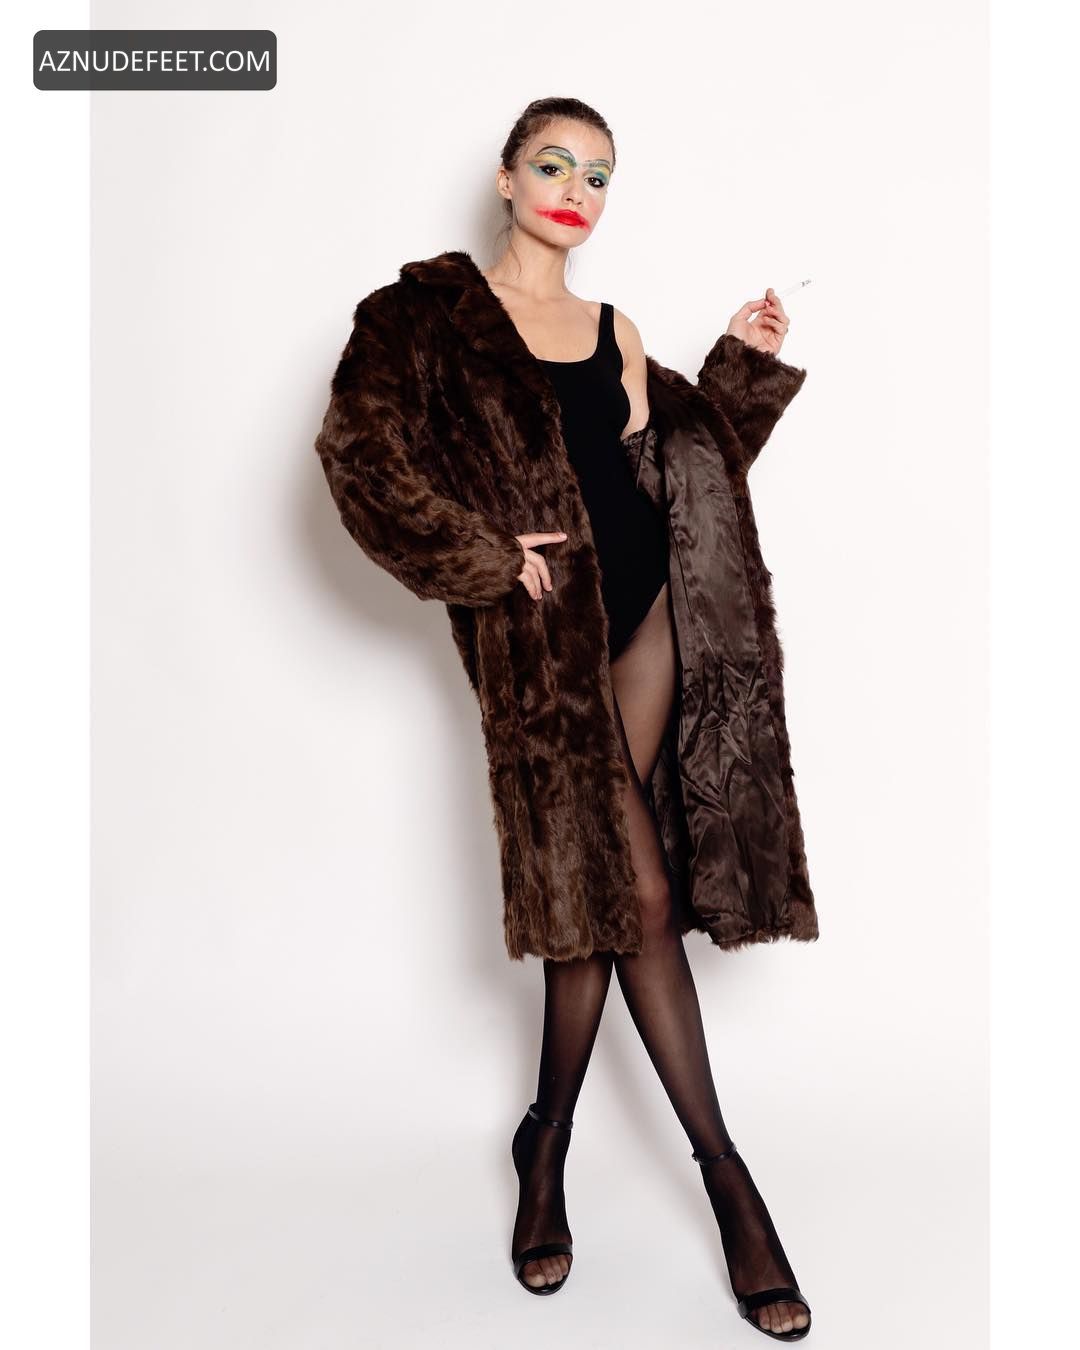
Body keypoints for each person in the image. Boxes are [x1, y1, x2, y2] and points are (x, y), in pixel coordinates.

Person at [315, 97, 814, 1341]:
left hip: (651, 625)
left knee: (603, 889)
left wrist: (738, 365)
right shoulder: (421, 319)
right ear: (504, 176)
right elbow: (359, 462)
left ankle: (546, 1144)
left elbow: (681, 471)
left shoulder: (612, 328)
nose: (575, 190)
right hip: (544, 646)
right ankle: (722, 1177)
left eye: (598, 175)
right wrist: (489, 561)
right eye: (553, 164)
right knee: (631, 892)